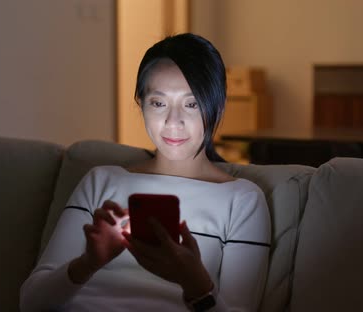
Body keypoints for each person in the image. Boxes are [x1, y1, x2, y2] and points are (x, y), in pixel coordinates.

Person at [20, 33, 271, 312]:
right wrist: (87, 264)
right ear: (141, 104)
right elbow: (31, 303)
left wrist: (197, 285)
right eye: (158, 103)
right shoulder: (101, 181)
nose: (173, 121)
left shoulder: (242, 200)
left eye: (191, 104)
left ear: (217, 105)